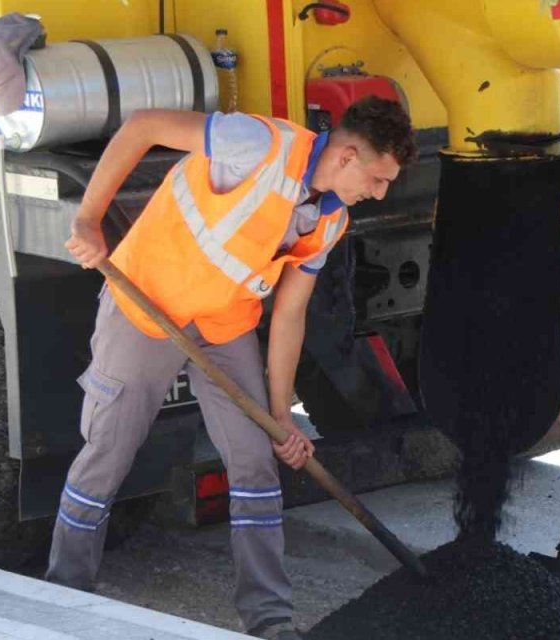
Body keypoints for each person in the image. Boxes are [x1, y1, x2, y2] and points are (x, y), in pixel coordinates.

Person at [47, 96, 416, 639]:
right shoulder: (259, 145)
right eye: (378, 179)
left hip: (223, 325)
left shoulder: (330, 220)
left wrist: (281, 418)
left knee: (255, 462)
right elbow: (144, 126)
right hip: (146, 306)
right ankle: (62, 593)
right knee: (109, 451)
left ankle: (269, 619)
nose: (380, 193)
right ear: (347, 157)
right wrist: (88, 218)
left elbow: (289, 315)